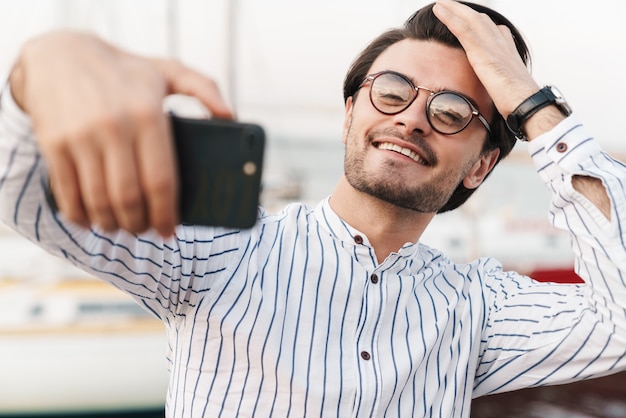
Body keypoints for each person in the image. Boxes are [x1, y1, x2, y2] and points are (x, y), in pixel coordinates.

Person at [0, 0, 624, 416]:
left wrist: (527, 97)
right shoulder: (221, 248)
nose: (410, 117)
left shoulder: (480, 308)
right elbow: (21, 195)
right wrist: (40, 70)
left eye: (453, 112)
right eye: (392, 91)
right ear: (352, 110)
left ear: (482, 164)